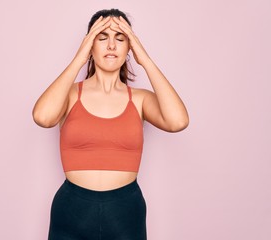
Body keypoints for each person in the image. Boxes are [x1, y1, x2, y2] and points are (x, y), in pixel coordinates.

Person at [33, 8, 189, 240]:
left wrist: (144, 58)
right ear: (89, 45)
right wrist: (79, 58)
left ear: (129, 48)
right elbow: (43, 117)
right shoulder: (69, 95)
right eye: (102, 38)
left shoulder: (139, 99)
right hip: (72, 209)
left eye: (120, 38)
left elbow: (178, 121)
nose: (111, 46)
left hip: (125, 210)